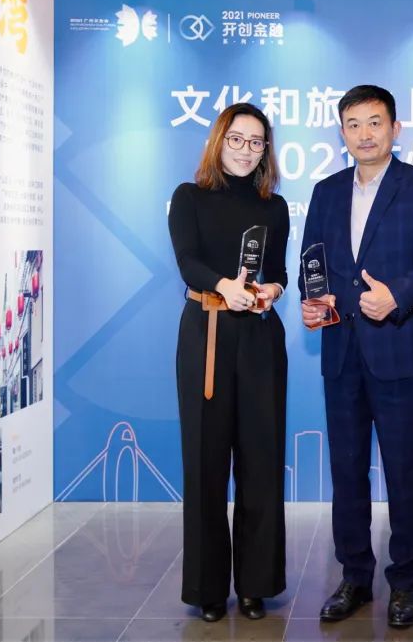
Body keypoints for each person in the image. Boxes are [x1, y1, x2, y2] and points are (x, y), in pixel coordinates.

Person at [298, 85, 413, 628]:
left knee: (405, 472)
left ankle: (404, 582)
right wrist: (312, 302)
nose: (364, 134)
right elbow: (312, 260)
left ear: (395, 128)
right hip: (341, 351)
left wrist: (397, 296)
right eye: (354, 124)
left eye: (375, 122)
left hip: (399, 348)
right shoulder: (325, 191)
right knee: (346, 472)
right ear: (342, 132)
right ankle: (355, 577)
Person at [168, 102, 289, 623]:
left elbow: (279, 270)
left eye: (256, 142)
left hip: (259, 337)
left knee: (262, 462)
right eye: (237, 139)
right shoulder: (189, 197)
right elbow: (187, 261)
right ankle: (208, 588)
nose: (246, 150)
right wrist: (224, 286)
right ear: (219, 141)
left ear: (266, 150)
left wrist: (269, 291)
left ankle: (257, 585)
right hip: (207, 334)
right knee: (205, 463)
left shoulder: (274, 206)